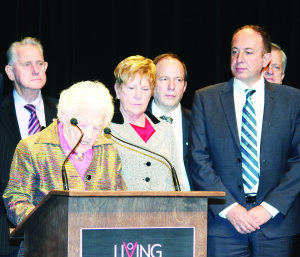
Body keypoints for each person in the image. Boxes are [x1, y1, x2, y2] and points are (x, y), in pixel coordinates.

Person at [189, 25, 300, 256]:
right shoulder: (206, 99)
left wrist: (269, 208)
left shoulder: (293, 100)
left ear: (266, 59)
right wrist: (229, 208)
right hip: (223, 225)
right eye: (235, 51)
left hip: (275, 225)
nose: (239, 59)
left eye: (248, 52)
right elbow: (198, 159)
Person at [3, 80, 127, 256]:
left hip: (99, 247)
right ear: (62, 114)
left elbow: (121, 199)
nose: (89, 136)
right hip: (46, 246)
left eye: (97, 128)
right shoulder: (33, 148)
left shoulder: (108, 150)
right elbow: (15, 199)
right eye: (82, 125)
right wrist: (49, 221)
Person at [0, 37, 58, 257]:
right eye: (27, 64)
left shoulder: (65, 114)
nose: (36, 70)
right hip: (7, 237)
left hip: (58, 235)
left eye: (40, 64)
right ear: (10, 72)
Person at [106, 55, 184, 191]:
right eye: (131, 88)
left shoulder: (165, 129)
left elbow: (176, 183)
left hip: (163, 210)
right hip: (122, 211)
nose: (138, 95)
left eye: (145, 89)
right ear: (117, 90)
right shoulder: (105, 129)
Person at [147, 53, 194, 190]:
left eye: (178, 80)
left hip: (192, 203)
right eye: (164, 79)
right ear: (152, 83)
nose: (171, 86)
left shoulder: (198, 122)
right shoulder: (135, 122)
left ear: (184, 86)